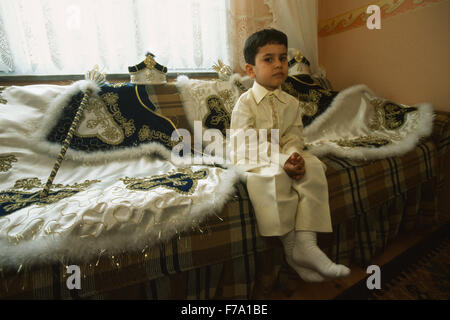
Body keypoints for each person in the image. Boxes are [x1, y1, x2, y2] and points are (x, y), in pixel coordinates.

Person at [228, 28, 350, 282]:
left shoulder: (291, 103)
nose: (279, 65)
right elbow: (245, 141)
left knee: (313, 166)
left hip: (282, 153)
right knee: (273, 176)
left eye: (282, 58)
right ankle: (291, 248)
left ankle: (306, 243)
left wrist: (294, 155)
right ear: (251, 70)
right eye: (268, 59)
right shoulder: (245, 102)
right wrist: (282, 162)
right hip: (250, 154)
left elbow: (293, 136)